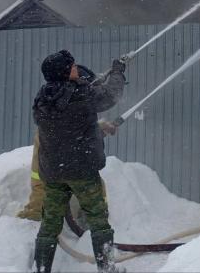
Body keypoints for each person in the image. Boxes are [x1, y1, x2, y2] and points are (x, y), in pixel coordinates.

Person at [32, 50, 126, 273]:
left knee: (50, 223)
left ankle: (41, 268)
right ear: (64, 72)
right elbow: (110, 95)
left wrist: (94, 130)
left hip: (54, 172)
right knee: (98, 219)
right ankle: (107, 268)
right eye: (72, 66)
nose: (76, 68)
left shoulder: (43, 97)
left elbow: (68, 127)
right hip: (82, 171)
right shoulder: (82, 94)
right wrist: (117, 72)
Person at [17, 66, 117, 222]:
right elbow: (75, 124)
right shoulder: (69, 98)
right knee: (51, 181)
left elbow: (75, 123)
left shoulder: (58, 97)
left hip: (55, 160)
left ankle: (43, 215)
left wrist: (100, 127)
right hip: (59, 162)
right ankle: (37, 212)